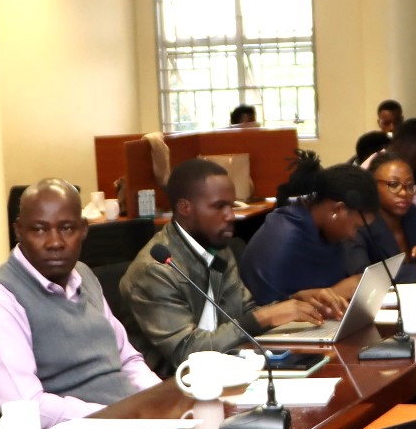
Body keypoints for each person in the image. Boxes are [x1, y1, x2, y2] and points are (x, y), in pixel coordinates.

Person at [0, 179, 159, 429]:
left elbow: (127, 358)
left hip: (136, 424)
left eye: (66, 228)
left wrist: (159, 400)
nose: (54, 242)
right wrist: (117, 415)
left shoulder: (84, 275)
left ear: (84, 230)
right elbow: (26, 406)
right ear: (19, 231)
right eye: (39, 230)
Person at [120, 159, 326, 375]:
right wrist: (265, 317)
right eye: (219, 206)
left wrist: (294, 304)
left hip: (227, 368)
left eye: (232, 205)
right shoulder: (156, 270)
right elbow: (187, 352)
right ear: (185, 208)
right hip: (174, 387)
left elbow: (245, 311)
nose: (230, 216)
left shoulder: (217, 248)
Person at [240, 157, 380, 306]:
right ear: (338, 210)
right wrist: (334, 293)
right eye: (356, 227)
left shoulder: (325, 233)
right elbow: (264, 313)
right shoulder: (285, 238)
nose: (353, 235)